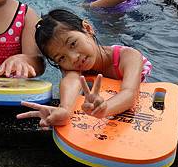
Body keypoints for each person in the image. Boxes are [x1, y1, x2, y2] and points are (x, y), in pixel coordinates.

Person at [17, 9, 152, 128]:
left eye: (73, 44)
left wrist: (104, 108)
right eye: (61, 58)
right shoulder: (71, 67)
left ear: (88, 29)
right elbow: (71, 81)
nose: (73, 57)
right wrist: (65, 110)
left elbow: (130, 93)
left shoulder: (128, 56)